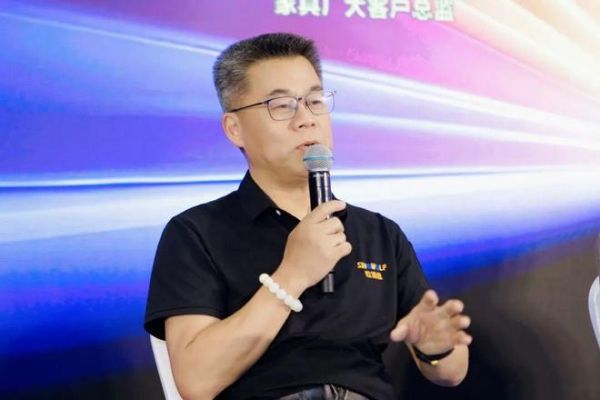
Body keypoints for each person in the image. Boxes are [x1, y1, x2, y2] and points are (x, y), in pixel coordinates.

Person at [144, 32, 471, 400]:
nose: (307, 119)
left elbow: (453, 371)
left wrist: (435, 347)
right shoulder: (196, 232)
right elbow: (197, 381)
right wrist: (292, 276)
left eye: (315, 101)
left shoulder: (378, 233)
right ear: (235, 129)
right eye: (282, 106)